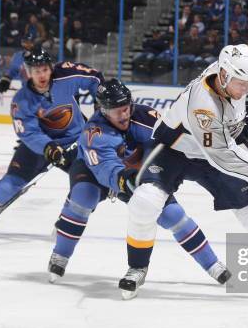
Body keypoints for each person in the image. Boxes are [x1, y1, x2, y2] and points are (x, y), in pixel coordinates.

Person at [119, 44, 248, 298]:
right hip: (174, 149)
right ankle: (136, 267)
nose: (246, 89)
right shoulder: (203, 104)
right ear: (223, 75)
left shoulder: (231, 77)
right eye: (242, 83)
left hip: (212, 150)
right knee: (145, 201)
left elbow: (228, 128)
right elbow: (223, 156)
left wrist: (238, 124)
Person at [48, 79, 230, 297]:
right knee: (83, 198)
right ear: (103, 111)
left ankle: (213, 264)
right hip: (95, 172)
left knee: (173, 215)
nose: (124, 115)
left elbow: (170, 148)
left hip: (136, 175)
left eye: (125, 108)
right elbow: (105, 168)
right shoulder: (95, 132)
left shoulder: (147, 118)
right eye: (117, 111)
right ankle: (60, 255)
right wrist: (125, 180)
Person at [0, 47, 103, 236]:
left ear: (50, 68)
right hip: (40, 147)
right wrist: (48, 147)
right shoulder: (22, 100)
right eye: (36, 71)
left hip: (75, 141)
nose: (42, 75)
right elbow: (28, 133)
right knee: (9, 184)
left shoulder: (67, 75)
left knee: (88, 186)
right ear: (28, 72)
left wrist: (101, 104)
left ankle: (66, 221)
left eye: (44, 69)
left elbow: (96, 78)